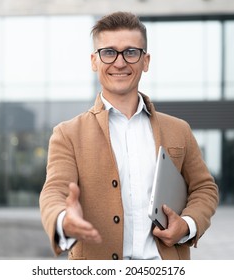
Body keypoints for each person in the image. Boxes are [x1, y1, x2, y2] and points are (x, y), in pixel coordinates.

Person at [39, 11, 219, 260]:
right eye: (109, 52)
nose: (120, 63)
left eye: (131, 52)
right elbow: (54, 192)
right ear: (94, 61)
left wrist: (187, 225)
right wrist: (62, 219)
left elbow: (204, 188)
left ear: (145, 61)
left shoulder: (179, 129)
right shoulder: (67, 134)